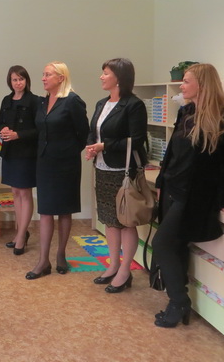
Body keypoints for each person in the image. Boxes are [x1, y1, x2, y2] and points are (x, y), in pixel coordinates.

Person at [152, 63, 224, 328]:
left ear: (202, 84)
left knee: (162, 243)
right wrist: (160, 181)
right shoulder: (186, 111)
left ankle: (179, 302)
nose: (181, 85)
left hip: (194, 194)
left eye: (186, 81)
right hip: (172, 187)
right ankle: (176, 302)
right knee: (176, 246)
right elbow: (171, 151)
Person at [85, 58, 148, 293]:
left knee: (125, 221)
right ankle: (113, 265)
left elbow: (137, 140)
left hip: (123, 172)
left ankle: (125, 271)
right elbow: (94, 132)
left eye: (105, 73)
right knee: (110, 220)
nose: (101, 77)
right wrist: (92, 147)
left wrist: (105, 146)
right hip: (102, 169)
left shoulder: (134, 105)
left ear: (119, 78)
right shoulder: (101, 103)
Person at [26, 61, 89, 279]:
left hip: (66, 164)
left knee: (64, 210)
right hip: (44, 163)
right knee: (45, 211)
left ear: (61, 78)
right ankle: (43, 260)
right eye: (43, 74)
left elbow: (84, 134)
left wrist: (67, 151)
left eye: (48, 75)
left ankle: (61, 254)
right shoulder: (43, 101)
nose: (43, 78)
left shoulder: (72, 101)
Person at [0, 65, 39, 255]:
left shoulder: (35, 100)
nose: (18, 82)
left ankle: (22, 235)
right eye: (14, 79)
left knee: (25, 193)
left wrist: (18, 135)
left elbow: (38, 129)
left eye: (21, 79)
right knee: (15, 192)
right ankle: (20, 232)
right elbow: (0, 123)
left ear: (26, 80)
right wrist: (3, 130)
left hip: (26, 153)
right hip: (10, 152)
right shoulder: (6, 100)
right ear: (10, 82)